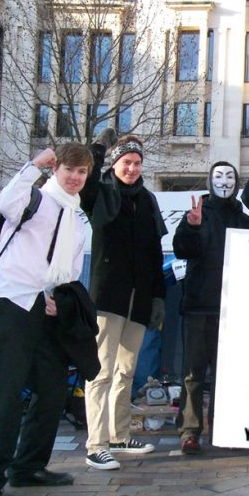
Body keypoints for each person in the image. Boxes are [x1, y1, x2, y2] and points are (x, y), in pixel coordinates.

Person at [0, 144, 93, 496]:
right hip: (11, 302)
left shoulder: (77, 218)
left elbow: (69, 270)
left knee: (52, 389)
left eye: (82, 173)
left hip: (45, 308)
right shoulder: (35, 199)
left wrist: (61, 298)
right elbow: (4, 203)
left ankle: (28, 466)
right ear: (56, 170)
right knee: (5, 395)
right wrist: (33, 166)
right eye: (69, 170)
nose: (75, 178)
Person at [81, 132, 167, 471]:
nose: (131, 168)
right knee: (100, 372)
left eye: (136, 163)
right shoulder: (101, 193)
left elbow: (154, 252)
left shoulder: (147, 200)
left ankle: (119, 435)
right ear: (115, 164)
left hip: (140, 300)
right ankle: (96, 444)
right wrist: (99, 148)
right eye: (125, 162)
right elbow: (86, 177)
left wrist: (158, 295)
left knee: (126, 370)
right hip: (108, 299)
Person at [173, 162, 249, 454]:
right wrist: (192, 227)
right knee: (193, 373)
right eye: (219, 177)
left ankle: (223, 428)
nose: (225, 182)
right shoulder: (196, 215)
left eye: (230, 177)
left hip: (231, 309)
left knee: (227, 372)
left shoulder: (246, 222)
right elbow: (182, 249)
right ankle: (190, 431)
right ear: (210, 181)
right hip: (198, 306)